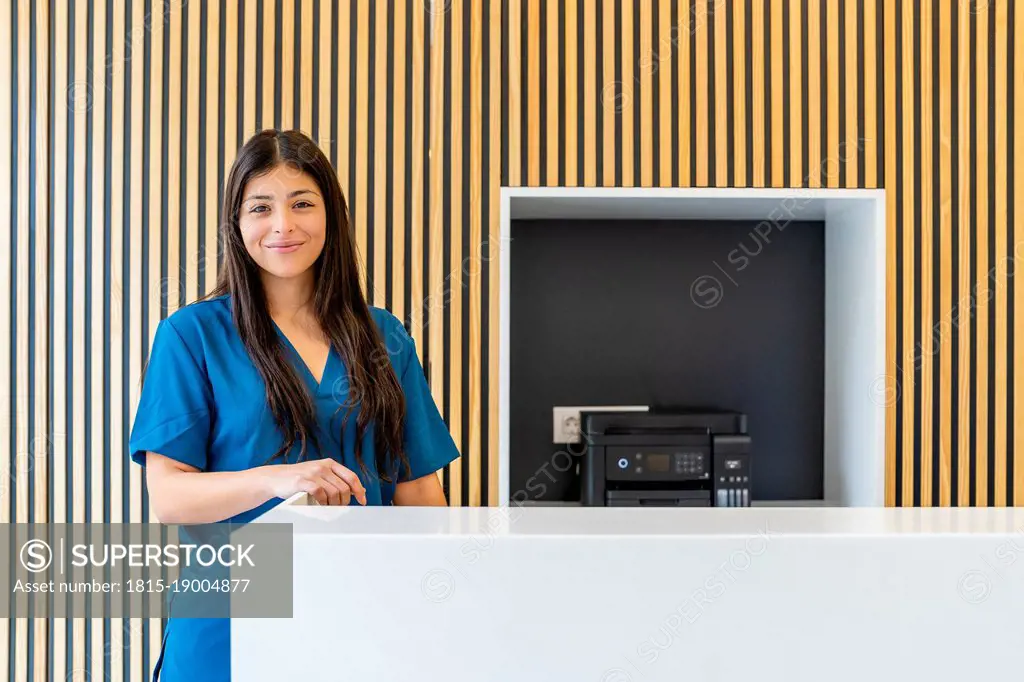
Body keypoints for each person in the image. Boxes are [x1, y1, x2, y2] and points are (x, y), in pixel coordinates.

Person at [128, 128, 461, 681]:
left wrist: (440, 602)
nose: (283, 225)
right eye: (261, 207)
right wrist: (280, 480)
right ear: (237, 224)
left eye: (302, 203)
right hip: (231, 616)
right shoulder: (191, 336)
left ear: (331, 214)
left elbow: (419, 492)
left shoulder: (385, 339)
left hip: (366, 614)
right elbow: (170, 497)